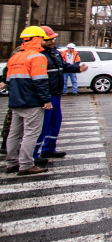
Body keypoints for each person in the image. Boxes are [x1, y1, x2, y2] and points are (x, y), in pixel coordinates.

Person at [34, 26, 87, 159]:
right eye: (48, 39)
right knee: (42, 125)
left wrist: (78, 68)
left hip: (55, 93)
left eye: (53, 39)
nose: (52, 41)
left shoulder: (55, 53)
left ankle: (48, 148)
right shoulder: (38, 55)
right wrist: (44, 98)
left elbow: (63, 67)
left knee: (55, 121)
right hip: (46, 95)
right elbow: (38, 80)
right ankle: (33, 154)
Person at [4, 26, 52, 175]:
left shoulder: (15, 57)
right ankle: (25, 164)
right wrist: (46, 100)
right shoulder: (37, 57)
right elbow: (40, 81)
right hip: (32, 102)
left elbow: (8, 80)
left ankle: (11, 163)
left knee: (14, 133)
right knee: (31, 133)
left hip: (15, 101)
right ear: (38, 39)